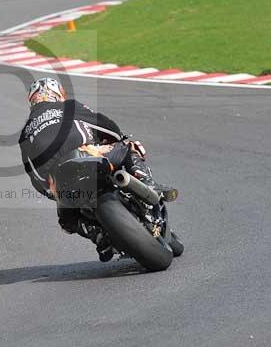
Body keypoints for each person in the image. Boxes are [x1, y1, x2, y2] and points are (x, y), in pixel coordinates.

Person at [18, 77, 175, 261]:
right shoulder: (68, 107)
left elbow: (35, 176)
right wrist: (119, 138)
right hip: (88, 154)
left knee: (68, 220)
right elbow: (103, 124)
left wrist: (51, 192)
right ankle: (148, 182)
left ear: (32, 100)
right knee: (128, 147)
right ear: (58, 94)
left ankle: (99, 236)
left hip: (61, 178)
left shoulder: (25, 132)